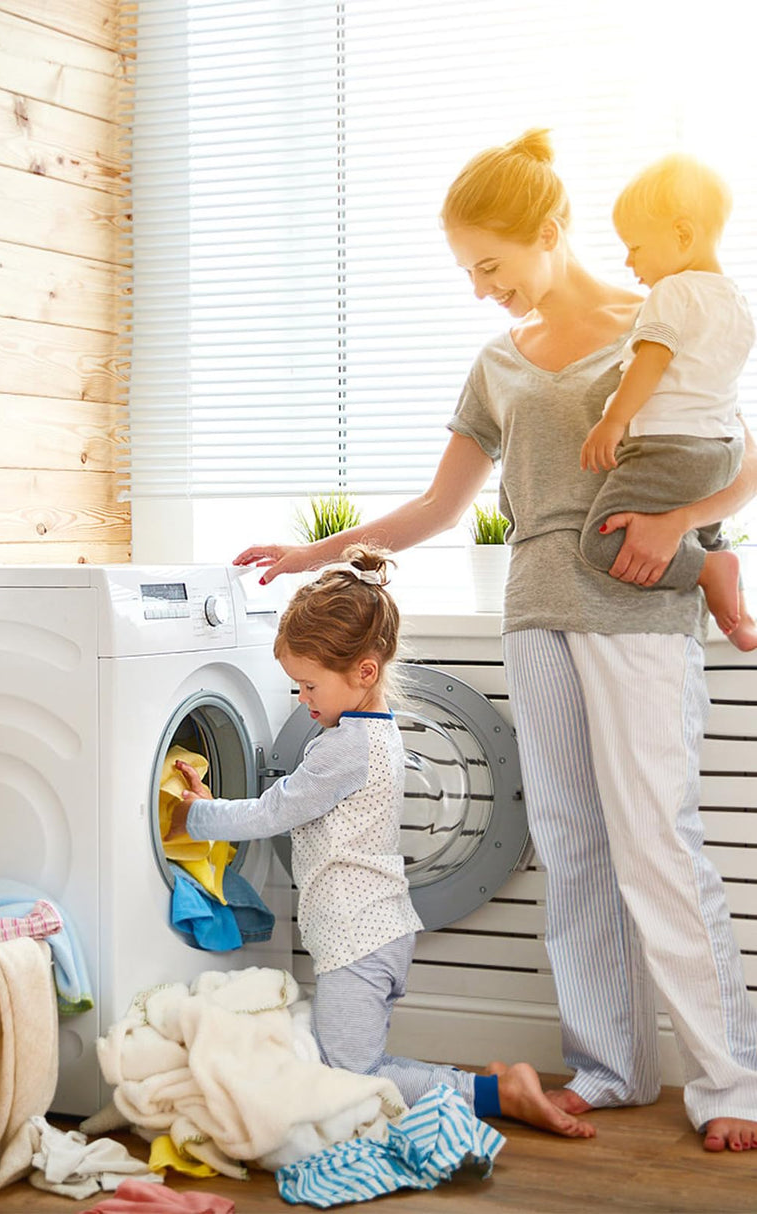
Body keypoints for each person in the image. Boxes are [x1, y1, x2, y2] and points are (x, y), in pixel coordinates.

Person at [233, 130, 757, 1153]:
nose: (481, 290)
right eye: (466, 272)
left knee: (654, 839)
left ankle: (728, 1076)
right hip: (534, 601)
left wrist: (681, 525)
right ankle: (609, 1064)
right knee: (567, 843)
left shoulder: (657, 320)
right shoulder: (496, 364)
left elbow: (738, 458)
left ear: (548, 233)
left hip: (636, 601)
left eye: (489, 265)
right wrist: (315, 551)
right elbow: (439, 504)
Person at [168, 545, 594, 1139]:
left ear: (363, 672)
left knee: (349, 1074)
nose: (302, 700)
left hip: (357, 942)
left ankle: (498, 1093)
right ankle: (493, 1084)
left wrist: (195, 816)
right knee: (341, 1059)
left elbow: (273, 810)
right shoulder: (374, 733)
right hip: (377, 931)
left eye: (309, 686)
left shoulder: (343, 750)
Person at [578, 153, 757, 650]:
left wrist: (613, 422)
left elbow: (651, 362)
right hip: (722, 451)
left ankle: (708, 571)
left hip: (669, 450)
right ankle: (739, 614)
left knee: (601, 541)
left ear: (682, 235)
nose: (629, 263)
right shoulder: (738, 301)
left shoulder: (674, 292)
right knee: (705, 534)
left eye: (634, 247)